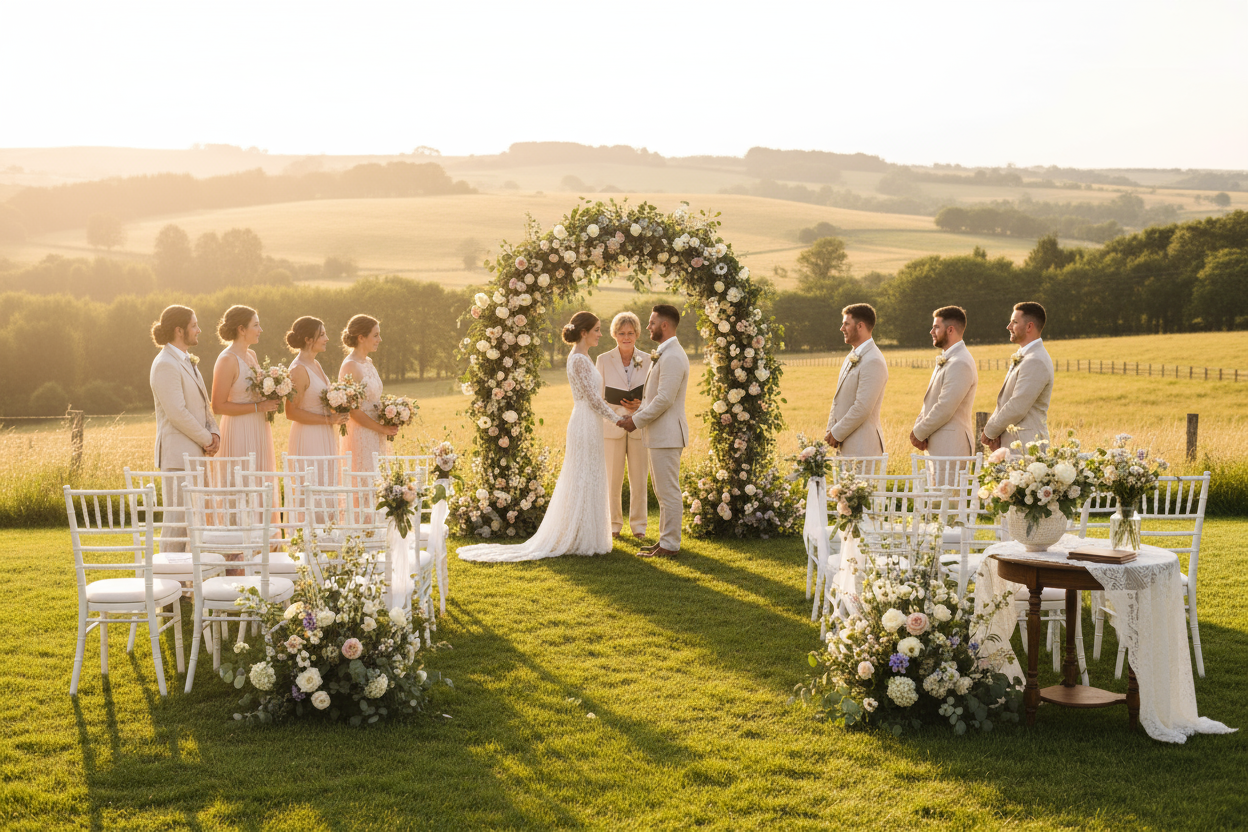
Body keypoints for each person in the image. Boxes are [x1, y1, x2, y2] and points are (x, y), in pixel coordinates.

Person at [458, 311, 624, 562]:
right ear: (584, 333)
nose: (601, 334)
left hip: (589, 421)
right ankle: (579, 535)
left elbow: (595, 398)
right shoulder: (579, 359)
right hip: (584, 421)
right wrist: (619, 419)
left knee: (589, 474)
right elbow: (592, 399)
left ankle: (585, 533)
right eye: (597, 330)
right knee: (582, 474)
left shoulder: (583, 357)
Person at [618, 304, 690, 559]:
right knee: (662, 491)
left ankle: (670, 545)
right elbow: (652, 399)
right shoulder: (665, 353)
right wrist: (635, 416)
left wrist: (635, 422)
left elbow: (664, 399)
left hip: (668, 435)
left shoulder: (672, 356)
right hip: (660, 434)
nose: (647, 327)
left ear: (665, 325)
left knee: (668, 492)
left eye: (651, 322)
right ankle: (665, 541)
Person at [149, 305, 219, 551]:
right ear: (179, 330)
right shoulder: (165, 364)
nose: (199, 330)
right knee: (177, 523)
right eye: (194, 325)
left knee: (195, 523)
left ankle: (188, 583)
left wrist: (215, 432)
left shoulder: (187, 361)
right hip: (178, 455)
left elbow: (203, 403)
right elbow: (176, 412)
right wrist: (205, 439)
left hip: (196, 453)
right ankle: (169, 582)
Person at [596, 311, 650, 540]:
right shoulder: (603, 359)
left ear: (637, 334)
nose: (626, 337)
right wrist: (616, 413)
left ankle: (639, 527)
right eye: (621, 333)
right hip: (612, 425)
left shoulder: (649, 359)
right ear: (614, 335)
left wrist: (641, 402)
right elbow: (598, 397)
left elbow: (655, 394)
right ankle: (613, 526)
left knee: (639, 480)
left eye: (630, 333)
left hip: (639, 424)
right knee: (613, 479)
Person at [210, 305, 279, 484]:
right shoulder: (227, 360)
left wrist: (275, 390)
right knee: (242, 486)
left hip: (259, 426)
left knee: (260, 481)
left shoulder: (252, 355)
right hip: (239, 429)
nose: (260, 330)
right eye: (255, 325)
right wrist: (258, 406)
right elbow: (217, 406)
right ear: (241, 329)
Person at [910, 306, 978, 483]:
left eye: (936, 327)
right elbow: (930, 402)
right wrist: (920, 428)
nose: (931, 331)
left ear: (950, 330)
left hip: (952, 446)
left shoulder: (960, 362)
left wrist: (918, 432)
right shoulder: (949, 358)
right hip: (940, 444)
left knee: (949, 504)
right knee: (938, 503)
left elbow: (945, 406)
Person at [981, 301, 1054, 453]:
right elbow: (1004, 401)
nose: (1008, 327)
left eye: (1014, 322)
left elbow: (1017, 406)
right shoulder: (1026, 356)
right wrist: (997, 435)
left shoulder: (1035, 360)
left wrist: (990, 431)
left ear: (1029, 327)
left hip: (1027, 447)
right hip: (1013, 444)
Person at [285, 316, 349, 483]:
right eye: (322, 335)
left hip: (325, 433)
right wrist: (329, 419)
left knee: (328, 484)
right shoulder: (298, 370)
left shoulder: (316, 364)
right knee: (314, 486)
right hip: (309, 437)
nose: (326, 339)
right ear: (308, 339)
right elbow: (291, 412)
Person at [824, 303, 888, 457]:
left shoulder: (873, 360)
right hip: (847, 446)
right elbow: (839, 399)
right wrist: (830, 430)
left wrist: (836, 433)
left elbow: (862, 407)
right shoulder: (852, 356)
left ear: (860, 326)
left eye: (846, 323)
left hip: (863, 448)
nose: (842, 328)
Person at [339, 314, 397, 475]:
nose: (380, 339)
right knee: (366, 480)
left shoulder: (368, 362)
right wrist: (381, 428)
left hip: (377, 430)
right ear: (361, 337)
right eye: (376, 335)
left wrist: (391, 414)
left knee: (379, 480)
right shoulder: (350, 366)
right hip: (361, 432)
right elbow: (353, 410)